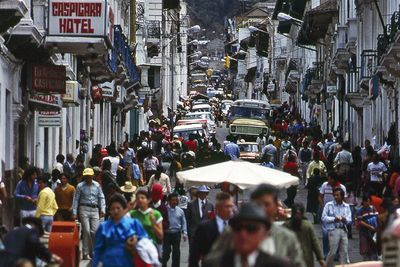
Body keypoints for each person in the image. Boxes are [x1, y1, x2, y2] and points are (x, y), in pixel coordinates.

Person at [203, 202, 292, 267]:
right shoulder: (214, 263)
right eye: (238, 228)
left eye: (251, 229)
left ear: (264, 234)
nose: (243, 234)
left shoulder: (278, 265)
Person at [93, 194, 148, 267]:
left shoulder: (134, 223)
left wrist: (136, 241)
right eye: (113, 209)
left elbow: (146, 241)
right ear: (109, 211)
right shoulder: (103, 227)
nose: (115, 211)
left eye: (118, 208)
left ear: (123, 208)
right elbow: (98, 250)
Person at [190, 192, 234, 267]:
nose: (230, 210)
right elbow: (194, 255)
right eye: (227, 207)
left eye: (231, 206)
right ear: (218, 207)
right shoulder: (204, 227)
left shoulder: (236, 227)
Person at [72, 168, 106, 260]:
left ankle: (94, 251)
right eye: (86, 177)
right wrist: (74, 212)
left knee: (94, 231)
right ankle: (85, 252)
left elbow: (101, 197)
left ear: (92, 176)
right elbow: (76, 199)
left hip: (95, 210)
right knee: (86, 230)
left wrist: (102, 209)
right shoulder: (80, 186)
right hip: (84, 209)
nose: (88, 178)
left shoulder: (97, 185)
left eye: (89, 177)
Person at [322, 187, 352, 267]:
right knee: (333, 252)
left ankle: (343, 265)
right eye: (334, 195)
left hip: (343, 230)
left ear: (342, 196)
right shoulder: (329, 205)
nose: (336, 197)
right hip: (333, 229)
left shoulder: (346, 206)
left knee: (344, 251)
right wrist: (334, 219)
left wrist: (345, 219)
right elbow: (323, 217)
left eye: (338, 195)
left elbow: (350, 220)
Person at [319, 172, 347, 257]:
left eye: (329, 178)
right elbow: (320, 196)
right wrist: (323, 207)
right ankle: (326, 253)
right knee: (325, 234)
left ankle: (336, 253)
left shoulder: (342, 187)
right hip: (327, 213)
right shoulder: (324, 185)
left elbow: (344, 200)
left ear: (334, 179)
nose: (328, 180)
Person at [162, 193, 188, 267]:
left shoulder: (180, 211)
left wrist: (185, 233)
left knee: (176, 252)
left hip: (176, 234)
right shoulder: (165, 210)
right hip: (167, 234)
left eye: (176, 200)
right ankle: (164, 264)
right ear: (169, 200)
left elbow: (184, 222)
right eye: (173, 200)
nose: (175, 202)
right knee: (166, 251)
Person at [356, 195, 379, 261]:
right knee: (365, 250)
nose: (367, 203)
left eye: (369, 201)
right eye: (366, 201)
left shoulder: (373, 208)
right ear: (363, 202)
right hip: (364, 232)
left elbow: (377, 217)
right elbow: (360, 221)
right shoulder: (360, 210)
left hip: (373, 232)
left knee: (373, 249)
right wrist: (369, 226)